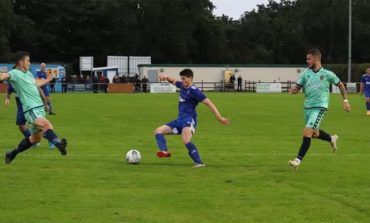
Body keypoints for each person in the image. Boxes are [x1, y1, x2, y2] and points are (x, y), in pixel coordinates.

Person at [0, 51, 68, 164]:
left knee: (34, 139)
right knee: (47, 125)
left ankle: (12, 154)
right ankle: (59, 145)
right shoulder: (14, 73)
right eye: (27, 60)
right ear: (20, 62)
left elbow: (36, 83)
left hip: (39, 109)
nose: (30, 63)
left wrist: (48, 79)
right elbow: (4, 75)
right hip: (31, 110)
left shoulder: (28, 74)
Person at [288, 48, 351, 169]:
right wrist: (294, 90)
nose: (307, 61)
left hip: (320, 107)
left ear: (316, 59)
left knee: (307, 132)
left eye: (309, 58)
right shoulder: (305, 74)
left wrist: (345, 101)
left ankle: (298, 160)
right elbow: (297, 88)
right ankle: (331, 138)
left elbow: (341, 85)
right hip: (307, 108)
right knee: (314, 133)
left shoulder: (327, 74)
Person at [153, 69, 230, 167]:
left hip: (189, 120)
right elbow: (173, 80)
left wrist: (219, 117)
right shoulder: (182, 85)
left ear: (190, 79)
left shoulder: (195, 91)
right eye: (181, 78)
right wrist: (165, 76)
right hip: (179, 120)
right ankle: (164, 151)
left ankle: (199, 162)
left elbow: (209, 103)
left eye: (184, 79)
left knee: (185, 140)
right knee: (158, 131)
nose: (182, 81)